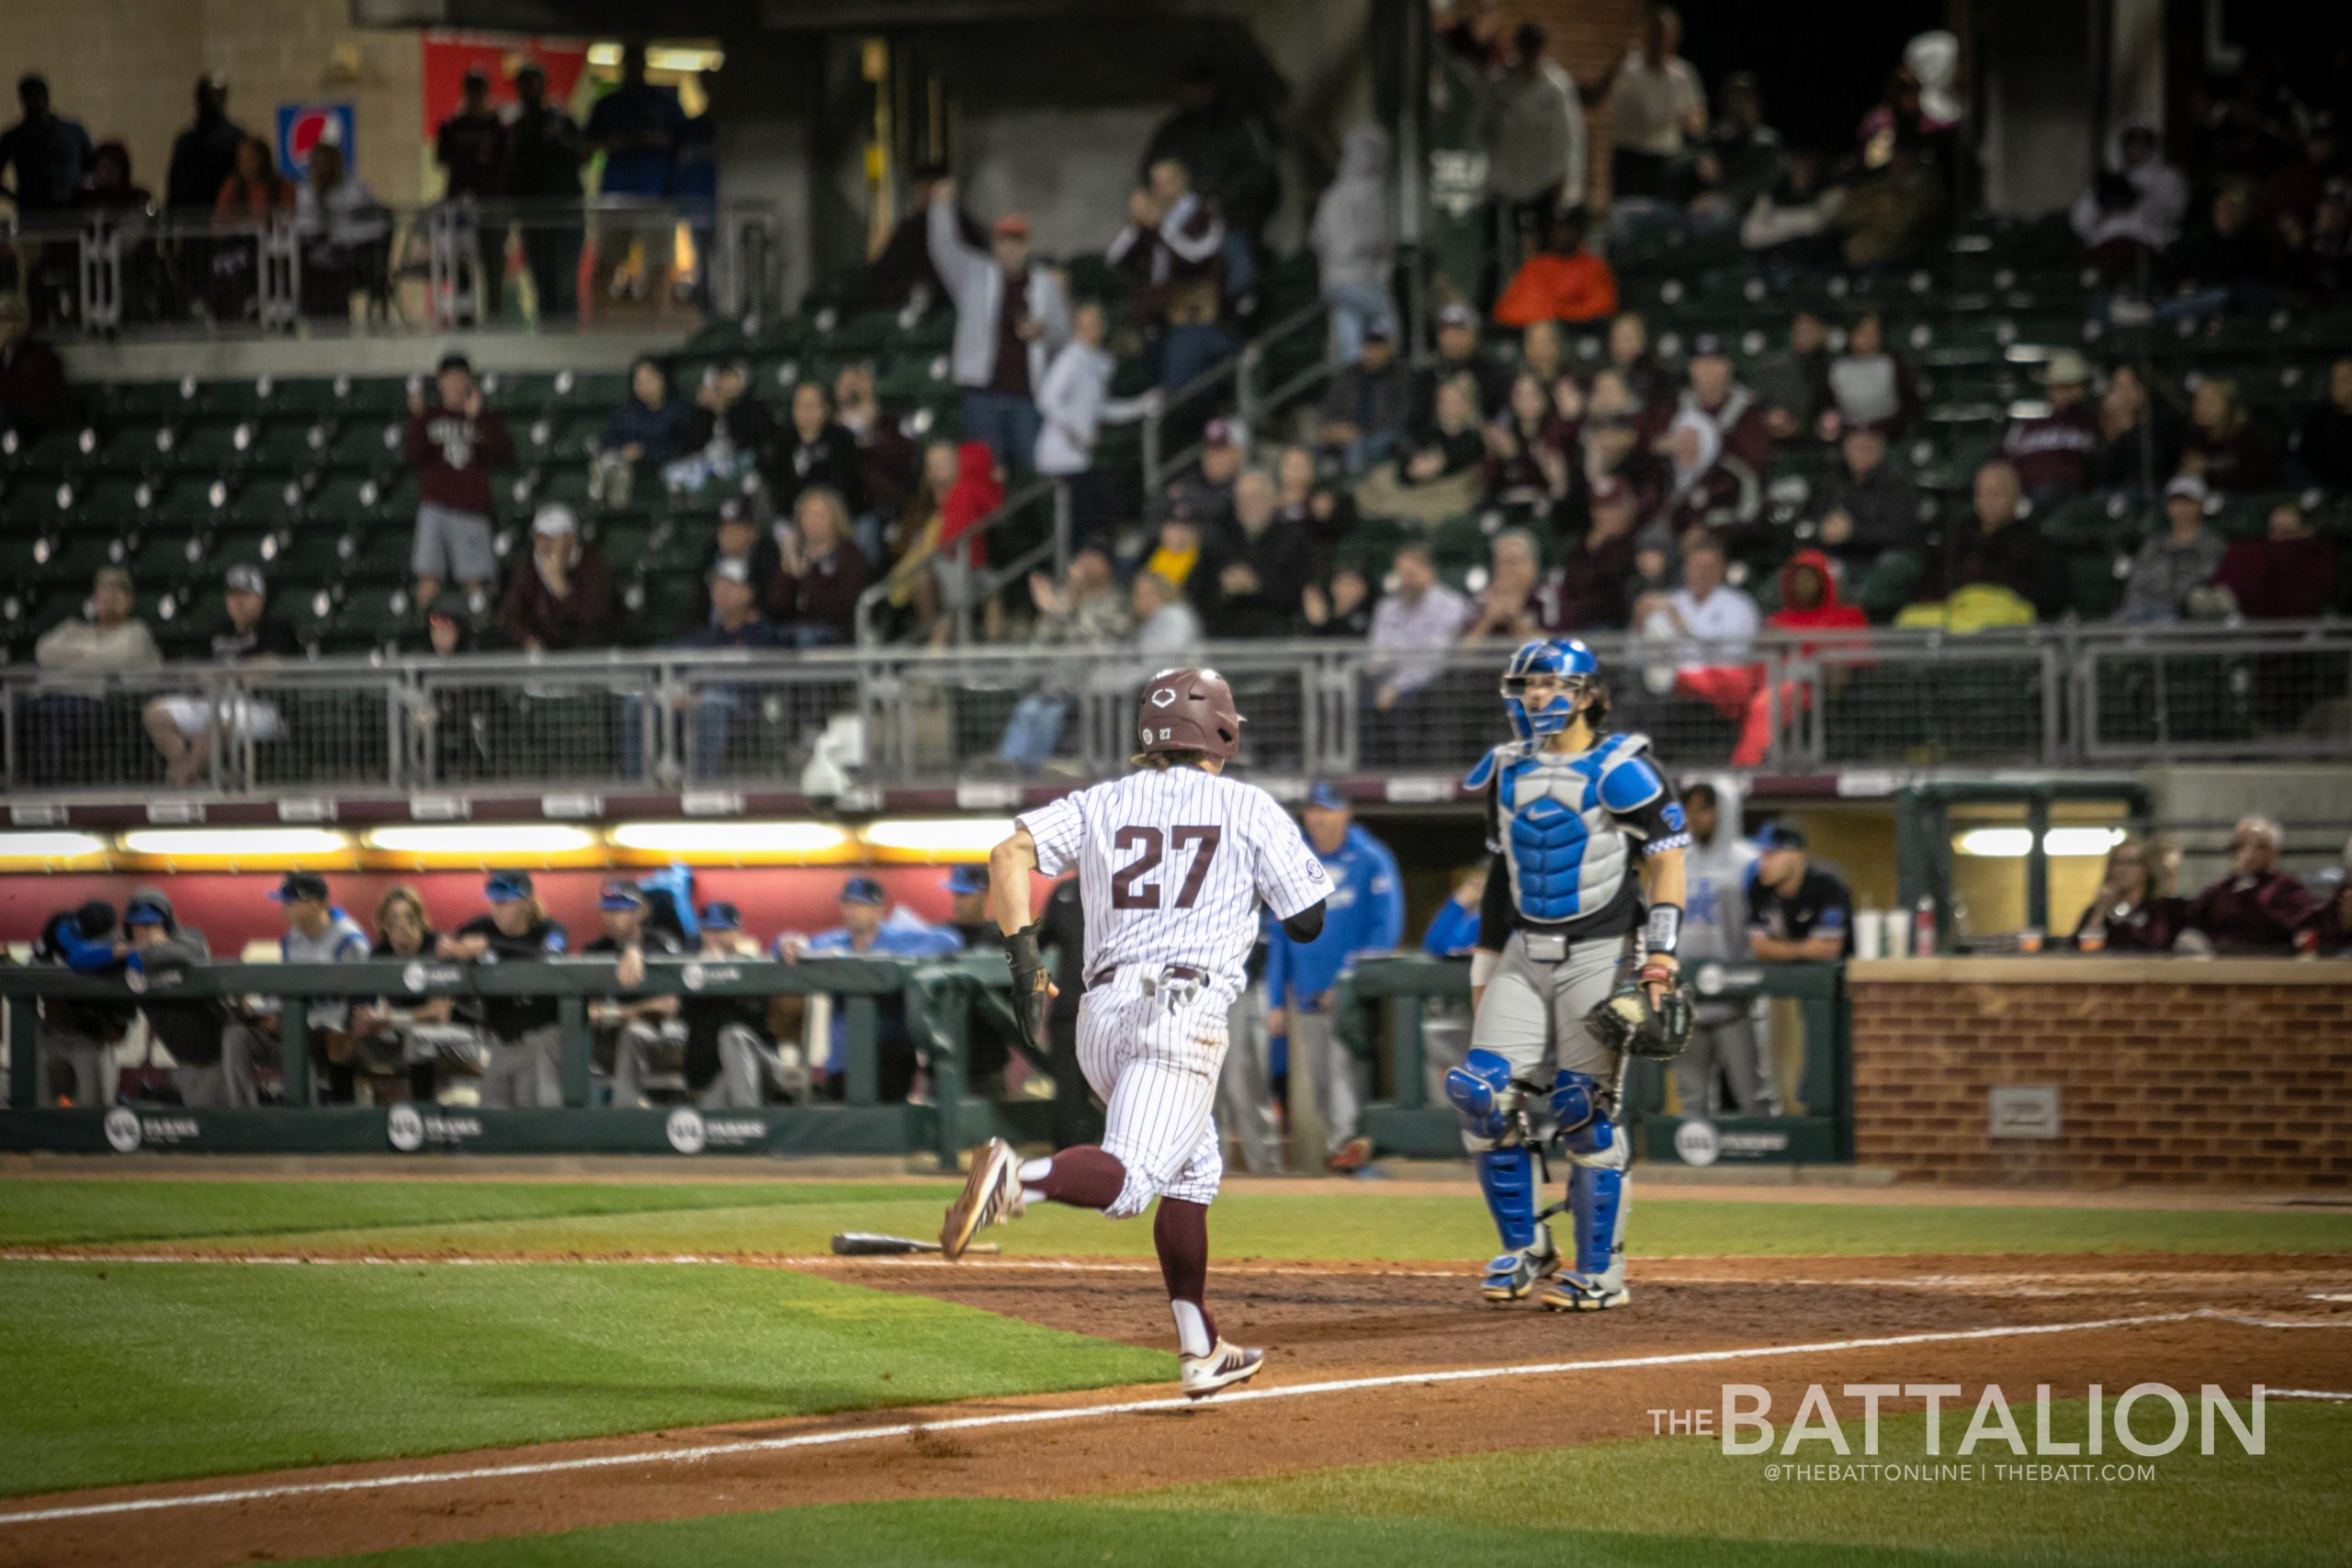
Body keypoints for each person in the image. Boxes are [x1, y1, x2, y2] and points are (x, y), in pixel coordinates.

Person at [944, 668, 1331, 1401]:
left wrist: (1024, 959)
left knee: (1194, 1172)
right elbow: (1308, 920)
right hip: (1182, 1009)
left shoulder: (1102, 799)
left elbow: (1007, 857)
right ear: (1221, 730)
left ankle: (1200, 1345)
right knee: (1131, 1180)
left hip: (1101, 1012)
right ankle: (1016, 1179)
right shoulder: (1246, 805)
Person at [1453, 638, 1690, 1312]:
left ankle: (1601, 1271)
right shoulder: (1504, 769)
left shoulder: (1622, 767)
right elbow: (1501, 877)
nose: (1534, 698)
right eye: (1525, 686)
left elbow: (1667, 861)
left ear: (1588, 694)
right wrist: (1484, 965)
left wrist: (1661, 957)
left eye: (1549, 686)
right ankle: (1526, 1244)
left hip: (1603, 946)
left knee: (1579, 1109)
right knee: (1479, 1092)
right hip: (1525, 950)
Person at [1264, 784, 1402, 1173]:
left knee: (1346, 1075)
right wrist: (1276, 999)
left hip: (1352, 993)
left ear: (1345, 813)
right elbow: (1279, 936)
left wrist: (1347, 980)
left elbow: (1384, 929)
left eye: (1327, 809)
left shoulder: (1370, 857)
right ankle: (1343, 1155)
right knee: (1321, 1083)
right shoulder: (1294, 858)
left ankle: (1351, 1151)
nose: (1319, 817)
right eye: (1313, 810)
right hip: (1305, 994)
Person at [931, 181, 1070, 471]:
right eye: (1003, 241)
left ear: (1027, 245)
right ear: (995, 244)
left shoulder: (1045, 284)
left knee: (1032, 469)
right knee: (987, 470)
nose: (1009, 249)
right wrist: (941, 208)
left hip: (1026, 393)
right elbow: (943, 249)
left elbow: (1063, 336)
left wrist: (1041, 331)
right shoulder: (974, 275)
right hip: (982, 392)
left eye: (1016, 241)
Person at [788, 875, 959, 1101]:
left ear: (878, 909)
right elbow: (790, 946)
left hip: (890, 1055)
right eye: (847, 904)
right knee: (842, 1126)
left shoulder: (896, 938)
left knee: (888, 1124)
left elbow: (949, 940)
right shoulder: (833, 942)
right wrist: (786, 943)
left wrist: (894, 962)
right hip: (843, 1057)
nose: (851, 911)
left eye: (859, 905)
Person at [142, 566, 299, 786]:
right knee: (155, 714)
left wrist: (227, 673)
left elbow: (269, 667)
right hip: (215, 701)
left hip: (260, 707)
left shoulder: (275, 627)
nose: (238, 601)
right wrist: (230, 674)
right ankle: (191, 774)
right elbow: (202, 672)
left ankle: (182, 779)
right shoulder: (219, 631)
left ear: (260, 598)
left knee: (215, 724)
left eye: (245, 594)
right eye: (232, 595)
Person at [1671, 781, 1766, 1116]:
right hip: (1688, 996)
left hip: (1737, 997)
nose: (1694, 817)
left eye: (1703, 809)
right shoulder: (1676, 861)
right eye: (1688, 809)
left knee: (1751, 1095)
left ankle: (1762, 1166)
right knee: (1692, 1097)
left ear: (1722, 811)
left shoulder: (1749, 861)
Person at [996, 543, 1131, 773]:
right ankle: (1007, 774)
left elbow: (1096, 644)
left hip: (1092, 691)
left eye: (1093, 557)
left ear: (1107, 566)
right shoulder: (1066, 599)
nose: (1084, 563)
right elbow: (1041, 644)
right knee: (1028, 710)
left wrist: (1063, 610)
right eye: (1082, 556)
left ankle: (1025, 776)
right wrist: (1051, 612)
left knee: (1049, 717)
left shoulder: (1118, 603)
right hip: (1055, 689)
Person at [119, 887, 258, 1109]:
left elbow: (190, 952)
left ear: (165, 923)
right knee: (198, 1120)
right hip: (183, 1057)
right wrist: (131, 951)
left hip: (218, 1050)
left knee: (223, 1124)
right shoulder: (122, 946)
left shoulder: (189, 939)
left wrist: (147, 950)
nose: (144, 931)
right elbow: (85, 957)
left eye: (151, 924)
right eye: (138, 924)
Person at [442, 872, 568, 1107]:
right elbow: (446, 948)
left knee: (535, 1119)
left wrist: (491, 946)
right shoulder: (481, 926)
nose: (498, 908)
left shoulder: (550, 930)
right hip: (498, 1041)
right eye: (494, 901)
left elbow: (549, 957)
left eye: (506, 901)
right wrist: (450, 949)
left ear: (527, 903)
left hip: (539, 1038)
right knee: (494, 1119)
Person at [349, 886, 484, 1103]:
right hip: (407, 1032)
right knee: (348, 1040)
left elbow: (439, 1013)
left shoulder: (439, 947)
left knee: (418, 1037)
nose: (401, 924)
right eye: (393, 918)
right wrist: (368, 1020)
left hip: (463, 1036)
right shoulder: (380, 953)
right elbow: (377, 1006)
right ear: (383, 923)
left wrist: (388, 1019)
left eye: (409, 917)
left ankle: (423, 1111)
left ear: (420, 918)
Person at [1108, 157, 1232, 393]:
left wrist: (1162, 226)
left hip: (1191, 319)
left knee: (1181, 392)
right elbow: (1114, 258)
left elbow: (1196, 257)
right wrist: (1136, 224)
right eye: (1155, 183)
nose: (1160, 190)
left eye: (1167, 182)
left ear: (1183, 182)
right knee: (1153, 390)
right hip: (1153, 318)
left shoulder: (1203, 215)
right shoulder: (1148, 223)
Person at [1479, 23, 1586, 280]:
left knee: (1545, 256)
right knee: (1501, 255)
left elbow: (1570, 140)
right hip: (1505, 185)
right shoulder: (1499, 84)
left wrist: (1568, 187)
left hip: (1544, 184)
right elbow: (1480, 130)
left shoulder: (1557, 87)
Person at [1035, 299, 1151, 533]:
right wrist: (1076, 431)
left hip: (1081, 458)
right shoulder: (1070, 359)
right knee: (1074, 525)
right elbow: (1046, 400)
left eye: (1094, 325)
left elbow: (1100, 409)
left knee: (1091, 521)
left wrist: (1141, 406)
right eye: (1083, 325)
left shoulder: (1098, 361)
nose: (1089, 331)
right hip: (1059, 459)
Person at [1740, 548, 1866, 766]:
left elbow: (1858, 657)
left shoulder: (1848, 616)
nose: (1802, 584)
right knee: (1725, 677)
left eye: (1809, 578)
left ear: (1823, 580)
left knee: (1767, 703)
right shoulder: (1777, 620)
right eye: (1797, 578)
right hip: (1761, 679)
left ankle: (1746, 766)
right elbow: (1758, 656)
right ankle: (1675, 679)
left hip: (1807, 687)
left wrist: (1793, 640)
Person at [405, 352, 512, 606]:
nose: (454, 384)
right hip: (435, 506)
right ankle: (424, 633)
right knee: (427, 578)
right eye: (449, 378)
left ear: (469, 381)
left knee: (474, 581)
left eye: (460, 378)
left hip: (470, 509)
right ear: (440, 382)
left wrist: (478, 419)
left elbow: (502, 453)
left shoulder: (483, 418)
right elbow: (413, 455)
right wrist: (417, 418)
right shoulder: (429, 417)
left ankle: (475, 632)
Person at [259, 872, 374, 1102]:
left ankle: (316, 1110)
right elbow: (285, 986)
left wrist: (349, 1032)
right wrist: (270, 1010)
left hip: (342, 1029)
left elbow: (364, 1001)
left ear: (313, 903)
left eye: (290, 903)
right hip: (301, 1023)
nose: (284, 909)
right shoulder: (292, 939)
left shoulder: (348, 939)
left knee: (319, 1039)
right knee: (242, 1033)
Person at [584, 44, 685, 305]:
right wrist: (616, 141)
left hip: (657, 192)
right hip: (617, 192)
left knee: (660, 262)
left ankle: (656, 325)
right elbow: (586, 146)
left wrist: (657, 140)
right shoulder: (608, 104)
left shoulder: (664, 103)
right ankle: (599, 320)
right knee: (607, 258)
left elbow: (683, 144)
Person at [1634, 531, 1761, 725]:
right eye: (1695, 566)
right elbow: (1638, 653)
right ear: (1686, 568)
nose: (1702, 572)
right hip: (1669, 691)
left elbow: (1735, 656)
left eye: (1709, 566)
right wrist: (1637, 621)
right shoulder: (1671, 601)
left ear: (1722, 568)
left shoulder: (1740, 605)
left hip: (1717, 694)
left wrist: (1684, 626)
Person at [583, 882, 687, 1110]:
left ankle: (624, 1114)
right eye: (607, 909)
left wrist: (634, 949)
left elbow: (667, 1006)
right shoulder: (595, 950)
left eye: (620, 909)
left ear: (641, 911)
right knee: (571, 1036)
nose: (611, 917)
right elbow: (590, 1014)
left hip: (663, 1039)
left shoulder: (662, 942)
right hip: (611, 1041)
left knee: (634, 1031)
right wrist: (637, 1011)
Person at [30, 901, 137, 1108]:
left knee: (94, 1111)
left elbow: (123, 1019)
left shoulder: (118, 950)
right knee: (41, 1108)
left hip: (90, 1039)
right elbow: (33, 967)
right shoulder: (58, 929)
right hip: (52, 1032)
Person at [1931, 459, 2066, 622]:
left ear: (2015, 496)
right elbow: (1932, 584)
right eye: (1981, 493)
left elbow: (2051, 597)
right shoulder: (1958, 536)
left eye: (1995, 494)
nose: (1987, 501)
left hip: (2006, 633)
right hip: (1954, 625)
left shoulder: (2034, 541)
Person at [503, 61, 584, 321]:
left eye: (533, 83)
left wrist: (557, 139)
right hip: (533, 217)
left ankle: (568, 331)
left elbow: (580, 155)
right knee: (542, 279)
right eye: (523, 84)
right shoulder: (516, 129)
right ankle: (548, 329)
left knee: (565, 279)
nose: (528, 90)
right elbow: (512, 173)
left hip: (565, 215)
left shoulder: (560, 120)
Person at [1604, 6, 1706, 209]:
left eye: (1666, 35)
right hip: (1630, 155)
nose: (1660, 40)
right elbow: (1609, 99)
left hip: (1664, 159)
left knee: (1659, 217)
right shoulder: (1628, 68)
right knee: (1625, 214)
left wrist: (1690, 120)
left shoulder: (1683, 74)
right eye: (1656, 33)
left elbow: (1698, 120)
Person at [1193, 469, 1314, 638]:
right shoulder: (1220, 537)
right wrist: (1223, 588)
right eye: (1242, 499)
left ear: (1272, 499)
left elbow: (1297, 594)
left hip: (1275, 631)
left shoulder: (1294, 538)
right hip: (1225, 631)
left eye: (1255, 497)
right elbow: (1200, 591)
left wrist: (1257, 586)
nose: (1248, 505)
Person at [1312, 126, 1396, 364]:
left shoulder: (1365, 192)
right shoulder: (1345, 195)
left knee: (1350, 334)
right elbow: (1333, 241)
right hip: (1348, 277)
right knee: (1385, 322)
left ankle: (1354, 378)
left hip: (1356, 278)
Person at [1363, 542, 1472, 718]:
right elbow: (1378, 651)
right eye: (1402, 575)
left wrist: (1396, 686)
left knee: (1408, 702)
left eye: (1411, 574)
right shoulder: (1386, 607)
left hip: (1431, 685)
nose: (1406, 582)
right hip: (1387, 680)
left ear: (1429, 574)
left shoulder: (1451, 605)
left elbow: (1434, 660)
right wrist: (1379, 672)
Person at [2182, 817, 2318, 954]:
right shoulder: (2220, 889)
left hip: (2269, 965)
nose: (2246, 854)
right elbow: (2192, 921)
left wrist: (2247, 887)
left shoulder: (2290, 890)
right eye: (2239, 846)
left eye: (2256, 846)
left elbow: (2275, 931)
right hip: (2221, 967)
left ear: (2274, 851)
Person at [435, 68, 508, 320]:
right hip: (460, 210)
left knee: (494, 265)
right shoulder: (452, 126)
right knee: (461, 266)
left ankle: (495, 318)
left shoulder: (497, 127)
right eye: (471, 89)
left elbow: (502, 162)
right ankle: (463, 317)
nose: (476, 95)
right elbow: (443, 158)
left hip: (491, 206)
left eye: (480, 90)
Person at [2072, 124, 2188, 278]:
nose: (2136, 150)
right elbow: (2080, 223)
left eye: (2142, 144)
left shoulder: (2167, 177)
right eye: (2131, 144)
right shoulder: (2110, 180)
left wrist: (2140, 198)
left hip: (2145, 247)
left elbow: (2174, 214)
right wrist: (2099, 201)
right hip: (2106, 246)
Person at [498, 504, 616, 652]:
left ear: (571, 538)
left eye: (553, 538)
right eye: (540, 537)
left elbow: (594, 620)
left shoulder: (592, 565)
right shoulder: (528, 568)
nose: (545, 545)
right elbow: (510, 615)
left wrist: (561, 588)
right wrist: (527, 639)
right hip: (540, 657)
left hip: (583, 656)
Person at [292, 141, 389, 319]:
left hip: (352, 255)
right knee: (308, 262)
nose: (323, 170)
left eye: (327, 164)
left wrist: (345, 237)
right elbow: (299, 226)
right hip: (315, 252)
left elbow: (379, 225)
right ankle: (312, 318)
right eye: (318, 164)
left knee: (331, 264)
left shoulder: (356, 192)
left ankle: (337, 320)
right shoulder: (304, 192)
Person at [768, 486, 872, 648]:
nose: (813, 520)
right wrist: (789, 570)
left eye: (820, 514)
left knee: (806, 636)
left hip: (835, 634)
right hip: (793, 631)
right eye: (807, 514)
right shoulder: (794, 554)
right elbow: (777, 607)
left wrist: (805, 584)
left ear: (836, 518)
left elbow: (845, 605)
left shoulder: (850, 555)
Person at [1811, 423, 1924, 571]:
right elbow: (1816, 516)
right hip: (1839, 556)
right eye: (1854, 448)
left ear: (1880, 450)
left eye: (1866, 448)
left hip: (1877, 560)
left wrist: (1852, 532)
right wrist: (1825, 527)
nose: (1860, 454)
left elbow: (1898, 532)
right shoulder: (1835, 481)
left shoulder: (1897, 484)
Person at [1543, 475, 1642, 631]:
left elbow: (1612, 595)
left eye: (1613, 507)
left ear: (1628, 507)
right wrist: (1592, 548)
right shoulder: (1582, 545)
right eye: (1600, 508)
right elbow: (1571, 584)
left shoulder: (1637, 541)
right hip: (1573, 627)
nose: (1605, 515)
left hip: (1613, 630)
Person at [2121, 475, 2227, 623]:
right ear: (2168, 507)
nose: (2181, 508)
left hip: (2186, 619)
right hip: (2142, 612)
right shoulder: (2154, 544)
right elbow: (2135, 584)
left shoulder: (2213, 545)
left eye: (2188, 502)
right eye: (2176, 502)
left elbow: (2204, 585)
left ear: (2201, 505)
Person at [2212, 499, 2339, 621]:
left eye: (2287, 532)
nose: (2279, 540)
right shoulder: (2255, 559)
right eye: (2274, 532)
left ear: (2306, 532)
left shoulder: (2316, 560)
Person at [1492, 209, 1619, 328]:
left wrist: (1562, 312)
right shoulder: (1535, 266)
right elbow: (1506, 312)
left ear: (1578, 231)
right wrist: (1553, 313)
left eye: (1568, 227)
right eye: (1557, 227)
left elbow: (1603, 306)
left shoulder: (1594, 266)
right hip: (1536, 335)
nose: (1562, 233)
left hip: (1581, 335)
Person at [1315, 325, 1413, 473]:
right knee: (1312, 457)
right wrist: (1336, 430)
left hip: (1386, 438)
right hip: (1348, 439)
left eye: (1378, 347)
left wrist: (1360, 435)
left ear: (1387, 349)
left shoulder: (1400, 375)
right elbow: (1328, 415)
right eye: (1369, 346)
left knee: (1361, 448)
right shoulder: (1347, 375)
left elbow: (1402, 416)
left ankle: (1356, 489)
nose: (1373, 352)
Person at [1746, 823, 1852, 960]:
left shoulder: (1828, 885)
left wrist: (1777, 949)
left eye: (1770, 854)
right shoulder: (1759, 886)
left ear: (1797, 855)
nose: (1762, 864)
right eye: (1761, 855)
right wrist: (1803, 949)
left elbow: (1826, 949)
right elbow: (1759, 948)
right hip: (1781, 976)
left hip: (1830, 976)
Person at [2070, 834, 2188, 953]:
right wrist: (2099, 913)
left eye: (2131, 862)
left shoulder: (2158, 910)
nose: (2122, 869)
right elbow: (2085, 952)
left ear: (2146, 868)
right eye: (2116, 862)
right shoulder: (2097, 912)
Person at [768, 379, 867, 520]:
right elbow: (778, 489)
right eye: (800, 405)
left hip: (838, 516)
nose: (805, 411)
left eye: (812, 405)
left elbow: (844, 486)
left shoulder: (842, 439)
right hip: (793, 518)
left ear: (825, 408)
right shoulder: (782, 442)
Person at [0, 75, 92, 215]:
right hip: (36, 213)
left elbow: (91, 167)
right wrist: (21, 199)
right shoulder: (14, 138)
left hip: (69, 210)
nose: (35, 103)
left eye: (37, 97)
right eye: (30, 98)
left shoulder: (72, 132)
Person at [1823, 310, 1917, 439]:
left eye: (1874, 331)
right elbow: (1827, 406)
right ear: (1850, 334)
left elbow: (1910, 402)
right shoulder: (1837, 367)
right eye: (1863, 331)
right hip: (1849, 436)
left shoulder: (1893, 363)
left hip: (1890, 433)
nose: (1869, 336)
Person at [600, 355, 695, 479]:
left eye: (648, 380)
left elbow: (682, 446)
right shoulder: (628, 411)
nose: (643, 386)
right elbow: (609, 438)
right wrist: (622, 450)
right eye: (638, 381)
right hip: (632, 473)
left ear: (662, 379)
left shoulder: (680, 409)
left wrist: (644, 451)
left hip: (668, 471)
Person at [166, 74, 247, 219]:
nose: (212, 102)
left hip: (228, 216)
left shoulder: (237, 138)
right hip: (191, 216)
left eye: (217, 96)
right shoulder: (186, 141)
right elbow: (176, 185)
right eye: (207, 96)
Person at [2179, 377, 2279, 493]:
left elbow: (2256, 477)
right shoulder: (2193, 434)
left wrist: (2207, 468)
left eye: (2211, 401)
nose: (2203, 407)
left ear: (2228, 403)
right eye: (2199, 400)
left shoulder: (2249, 433)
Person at [1752, 310, 1832, 443]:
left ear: (1824, 332)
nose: (1803, 333)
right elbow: (1755, 406)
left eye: (1809, 328)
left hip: (1823, 442)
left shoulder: (1834, 367)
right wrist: (1770, 416)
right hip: (1776, 440)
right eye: (1799, 328)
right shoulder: (1772, 367)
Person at [0, 295, 66, 439]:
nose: (4, 326)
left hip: (28, 427)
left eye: (7, 318)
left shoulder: (43, 357)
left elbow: (43, 403)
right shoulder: (4, 355)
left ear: (24, 320)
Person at [1463, 528, 1545, 644]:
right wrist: (1488, 620)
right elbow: (1461, 656)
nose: (1507, 569)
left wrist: (1515, 621)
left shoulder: (1545, 597)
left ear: (1532, 566)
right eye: (1500, 563)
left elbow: (1551, 655)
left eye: (1514, 561)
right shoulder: (1480, 600)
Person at [2292, 356, 2352, 490]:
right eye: (2333, 380)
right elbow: (2305, 460)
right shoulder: (2319, 416)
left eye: (2345, 380)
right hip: (2323, 491)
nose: (2336, 386)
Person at [1422, 864, 1487, 957]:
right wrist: (1458, 904)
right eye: (1474, 885)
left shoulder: (1492, 920)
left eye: (1483, 886)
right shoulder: (1458, 915)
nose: (1477, 892)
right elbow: (1432, 946)